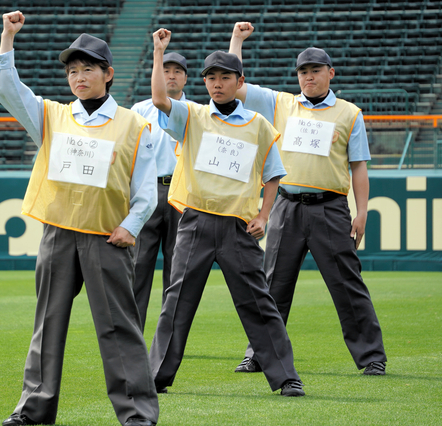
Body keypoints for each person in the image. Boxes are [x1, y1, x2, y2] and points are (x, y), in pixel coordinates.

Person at [0, 11, 159, 426]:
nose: (78, 76)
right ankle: (32, 410)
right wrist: (7, 39)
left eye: (87, 69)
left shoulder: (136, 126)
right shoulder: (52, 116)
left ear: (108, 74)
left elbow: (146, 192)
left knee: (119, 329)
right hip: (58, 235)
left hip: (107, 238)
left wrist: (131, 226)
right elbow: (9, 92)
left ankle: (137, 414)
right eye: (72, 70)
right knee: (47, 325)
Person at [147, 28, 305, 397]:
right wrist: (159, 53)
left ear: (240, 82)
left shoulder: (259, 127)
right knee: (176, 302)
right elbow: (158, 99)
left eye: (225, 77)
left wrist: (264, 216)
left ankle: (285, 377)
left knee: (259, 303)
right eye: (211, 78)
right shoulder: (192, 116)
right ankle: (155, 376)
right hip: (195, 222)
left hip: (239, 228)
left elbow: (272, 176)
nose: (217, 84)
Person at [228, 22, 387, 376]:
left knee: (347, 284)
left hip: (330, 209)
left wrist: (361, 213)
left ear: (330, 73)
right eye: (303, 71)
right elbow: (236, 85)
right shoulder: (282, 104)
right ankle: (259, 353)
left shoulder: (349, 113)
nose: (308, 77)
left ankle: (372, 357)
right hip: (286, 205)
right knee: (270, 285)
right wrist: (237, 40)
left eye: (315, 70)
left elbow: (358, 167)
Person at [131, 52, 190, 332]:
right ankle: (133, 331)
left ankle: (169, 336)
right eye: (166, 70)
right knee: (138, 266)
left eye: (178, 71)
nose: (171, 75)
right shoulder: (140, 110)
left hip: (182, 193)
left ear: (186, 78)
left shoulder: (198, 112)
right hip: (148, 190)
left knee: (177, 270)